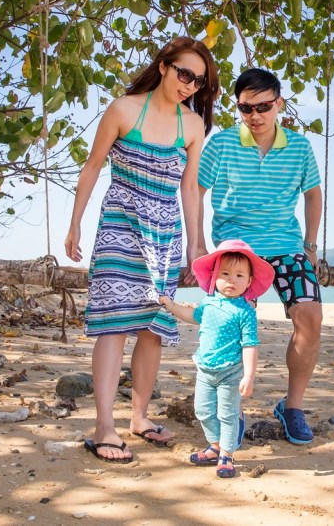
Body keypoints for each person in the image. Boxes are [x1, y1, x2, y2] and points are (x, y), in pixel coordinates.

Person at [65, 37, 219, 463]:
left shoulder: (193, 126)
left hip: (165, 234)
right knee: (113, 324)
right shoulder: (123, 109)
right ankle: (104, 427)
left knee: (153, 327)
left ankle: (138, 417)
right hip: (119, 222)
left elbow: (190, 188)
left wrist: (196, 244)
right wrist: (75, 222)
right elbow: (93, 166)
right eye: (184, 74)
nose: (190, 85)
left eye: (198, 81)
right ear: (165, 66)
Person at [197, 67, 323, 445]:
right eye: (245, 109)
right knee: (229, 326)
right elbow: (195, 190)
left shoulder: (299, 147)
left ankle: (293, 407)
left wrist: (311, 246)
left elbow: (313, 194)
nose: (254, 116)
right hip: (236, 249)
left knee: (310, 314)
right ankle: (228, 410)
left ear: (279, 104)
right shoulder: (221, 145)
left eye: (263, 107)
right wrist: (200, 246)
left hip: (286, 245)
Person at [158, 240, 273, 478]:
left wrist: (250, 375)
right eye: (226, 273)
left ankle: (227, 455)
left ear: (249, 281)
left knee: (227, 414)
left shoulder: (245, 312)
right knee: (202, 411)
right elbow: (192, 315)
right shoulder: (209, 303)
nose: (231, 280)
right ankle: (215, 445)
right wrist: (171, 306)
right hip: (205, 370)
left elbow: (250, 345)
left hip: (231, 372)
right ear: (214, 276)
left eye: (240, 275)